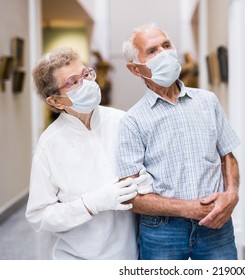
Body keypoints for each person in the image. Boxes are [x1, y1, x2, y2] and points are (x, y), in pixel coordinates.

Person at [117, 23, 241, 260]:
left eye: (166, 45)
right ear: (135, 69)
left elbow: (227, 155)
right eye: (152, 51)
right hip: (163, 232)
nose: (164, 53)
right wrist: (189, 209)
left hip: (216, 224)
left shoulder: (208, 101)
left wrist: (231, 193)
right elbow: (130, 196)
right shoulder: (132, 121)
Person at [25, 47, 152, 260]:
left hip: (131, 256)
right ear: (55, 101)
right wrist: (90, 204)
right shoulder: (49, 145)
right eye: (73, 82)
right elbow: (39, 215)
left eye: (86, 74)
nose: (87, 83)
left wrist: (149, 183)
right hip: (78, 260)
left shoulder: (123, 122)